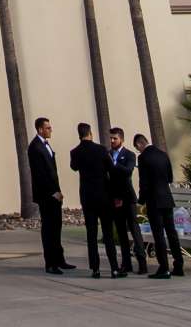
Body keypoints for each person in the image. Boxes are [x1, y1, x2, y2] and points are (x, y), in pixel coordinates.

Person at [68, 123, 116, 278]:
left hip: (87, 196)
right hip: (104, 195)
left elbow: (74, 167)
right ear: (90, 133)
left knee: (91, 233)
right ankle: (114, 267)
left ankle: (95, 268)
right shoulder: (101, 150)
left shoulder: (75, 152)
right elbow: (111, 169)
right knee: (108, 232)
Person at [132, 133, 183, 278]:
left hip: (154, 200)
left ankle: (164, 268)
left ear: (139, 144)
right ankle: (179, 265)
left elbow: (144, 182)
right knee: (172, 233)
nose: (138, 151)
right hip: (167, 198)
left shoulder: (143, 158)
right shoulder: (163, 154)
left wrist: (141, 201)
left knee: (158, 234)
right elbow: (169, 177)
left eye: (137, 148)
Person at [27, 117, 66, 273]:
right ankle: (50, 263)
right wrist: (53, 192)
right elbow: (40, 175)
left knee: (57, 227)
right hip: (47, 195)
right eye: (48, 128)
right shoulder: (35, 147)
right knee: (49, 229)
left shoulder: (45, 144)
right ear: (40, 129)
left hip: (55, 193)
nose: (51, 130)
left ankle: (60, 259)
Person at [105, 126, 144, 277]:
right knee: (121, 232)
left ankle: (142, 263)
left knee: (134, 230)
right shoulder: (107, 154)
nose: (112, 141)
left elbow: (128, 171)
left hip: (127, 198)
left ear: (121, 139)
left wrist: (114, 166)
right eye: (111, 138)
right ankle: (125, 264)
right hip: (114, 198)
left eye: (115, 138)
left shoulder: (129, 155)